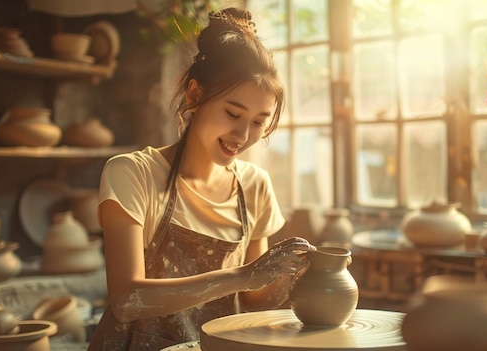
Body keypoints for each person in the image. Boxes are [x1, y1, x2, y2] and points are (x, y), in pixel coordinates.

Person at [88, 8, 316, 351]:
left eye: (258, 122)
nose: (242, 134)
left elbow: (253, 302)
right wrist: (244, 275)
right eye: (233, 113)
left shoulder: (254, 185)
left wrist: (292, 277)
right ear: (195, 96)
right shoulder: (133, 173)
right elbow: (126, 298)